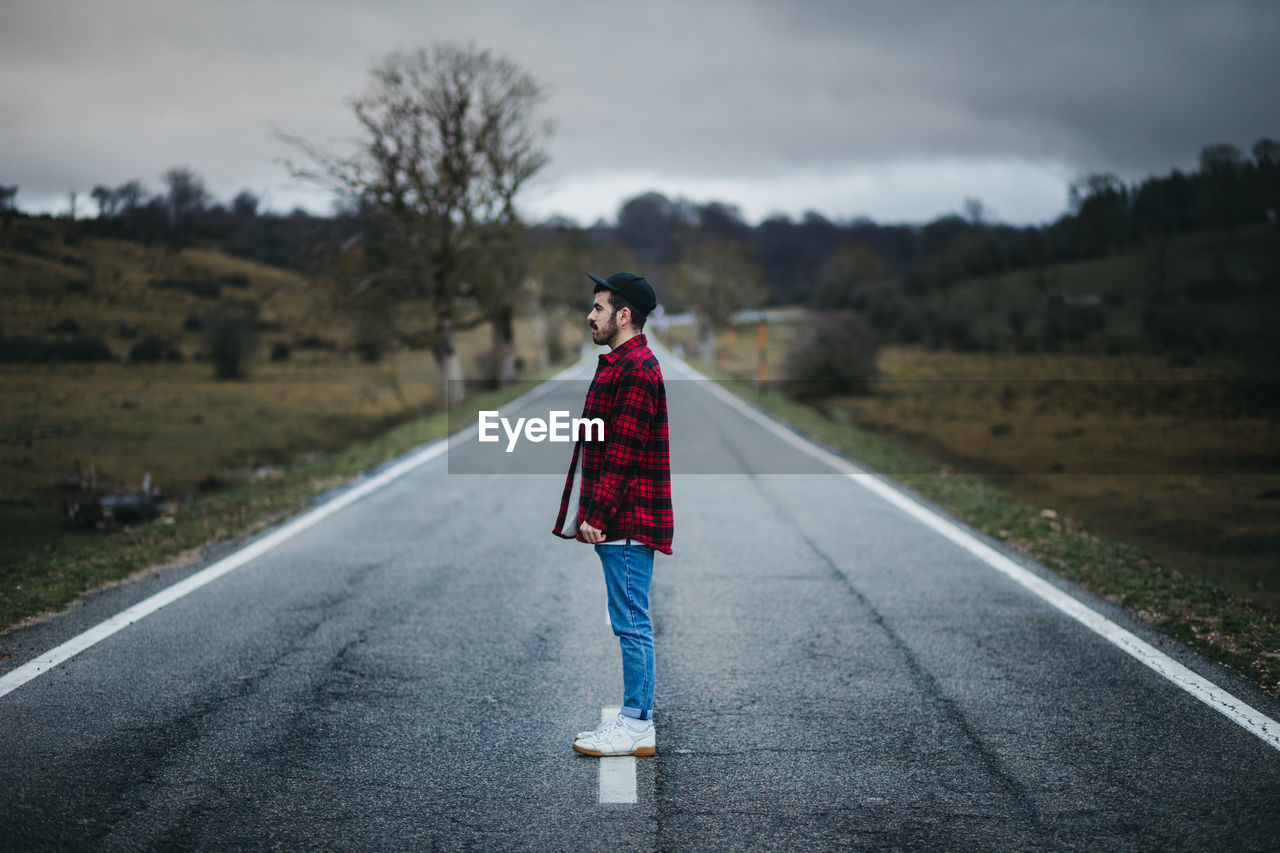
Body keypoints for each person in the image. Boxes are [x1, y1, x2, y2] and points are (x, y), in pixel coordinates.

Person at [553, 272, 673, 758]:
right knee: (629, 619)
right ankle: (634, 719)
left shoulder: (637, 370)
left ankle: (636, 722)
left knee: (631, 623)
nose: (590, 316)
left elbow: (623, 453)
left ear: (624, 316)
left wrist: (597, 513)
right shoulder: (622, 364)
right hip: (622, 517)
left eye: (599, 308)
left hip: (627, 518)